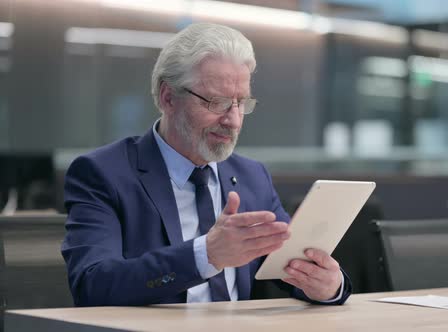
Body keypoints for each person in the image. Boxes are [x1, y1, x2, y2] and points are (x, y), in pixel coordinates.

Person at [61, 22, 352, 306]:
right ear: (168, 97)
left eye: (241, 103)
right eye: (216, 102)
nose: (233, 120)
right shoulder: (103, 174)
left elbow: (292, 267)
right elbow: (92, 285)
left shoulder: (251, 176)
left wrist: (328, 286)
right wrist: (206, 255)